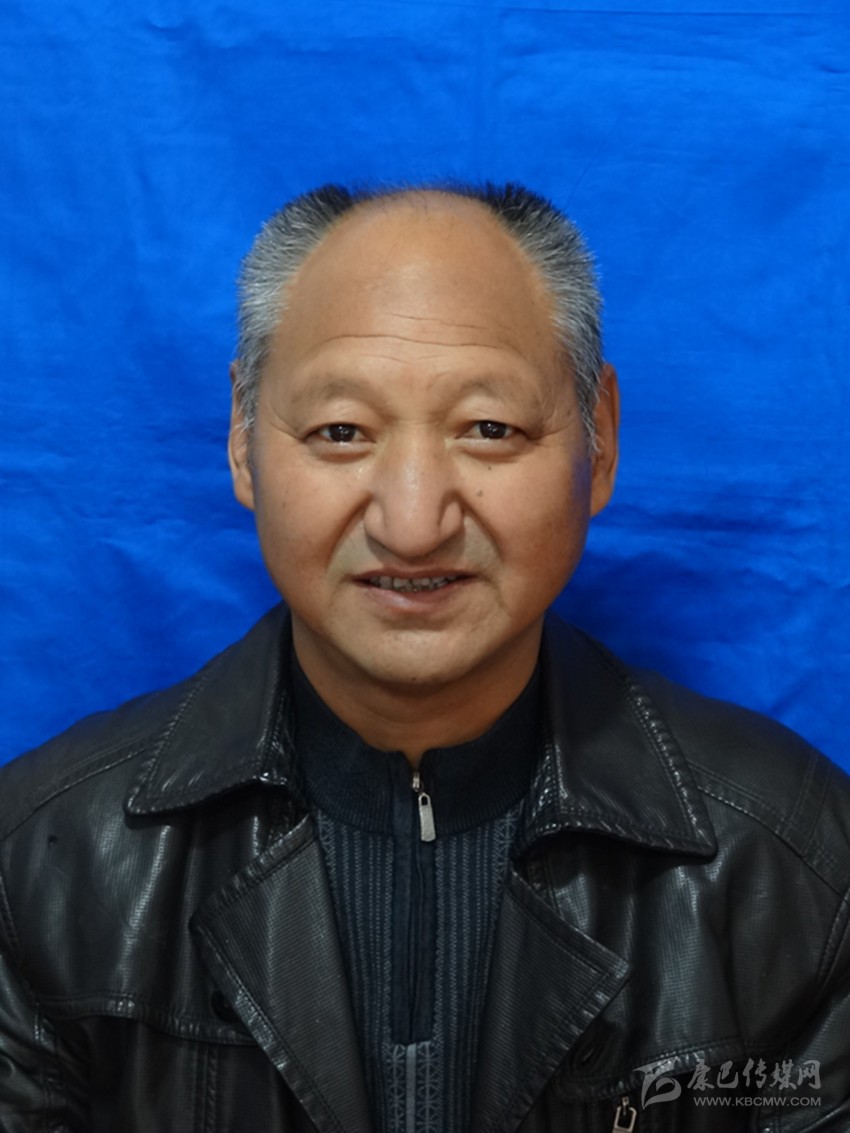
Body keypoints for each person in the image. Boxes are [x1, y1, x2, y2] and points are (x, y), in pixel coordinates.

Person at [0, 182, 848, 1133]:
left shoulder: (796, 867)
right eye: (341, 432)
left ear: (600, 440)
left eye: (489, 429)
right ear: (241, 440)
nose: (412, 523)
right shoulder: (39, 871)